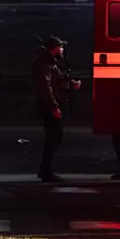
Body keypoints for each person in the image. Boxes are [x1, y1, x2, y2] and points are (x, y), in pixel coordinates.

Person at [31, 35, 81, 182]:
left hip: (50, 105)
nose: (63, 50)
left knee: (54, 136)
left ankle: (45, 169)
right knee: (54, 136)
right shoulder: (44, 64)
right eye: (61, 47)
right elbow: (45, 88)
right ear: (55, 48)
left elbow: (59, 79)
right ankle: (46, 171)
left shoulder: (49, 63)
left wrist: (71, 84)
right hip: (48, 106)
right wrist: (54, 106)